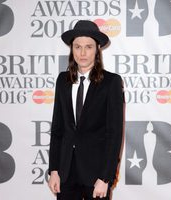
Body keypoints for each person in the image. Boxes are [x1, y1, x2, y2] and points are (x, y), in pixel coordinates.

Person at [48, 20, 124, 200]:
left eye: (88, 47)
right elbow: (57, 129)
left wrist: (105, 178)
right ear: (72, 49)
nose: (82, 53)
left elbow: (114, 134)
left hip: (96, 174)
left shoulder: (111, 82)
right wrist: (54, 170)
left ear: (97, 49)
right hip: (65, 173)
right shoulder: (62, 80)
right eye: (77, 47)